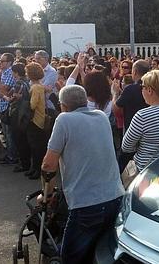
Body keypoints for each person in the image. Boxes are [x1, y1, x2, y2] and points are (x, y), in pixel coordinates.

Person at [41, 85, 124, 264]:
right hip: (115, 197)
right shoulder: (101, 116)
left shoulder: (64, 120)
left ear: (63, 105)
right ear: (85, 101)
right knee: (99, 252)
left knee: (71, 257)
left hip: (87, 203)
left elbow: (49, 164)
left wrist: (46, 194)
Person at [24, 62, 48, 180]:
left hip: (35, 120)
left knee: (36, 147)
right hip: (37, 119)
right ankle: (34, 168)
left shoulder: (36, 87)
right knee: (35, 146)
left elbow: (32, 105)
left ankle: (37, 170)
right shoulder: (38, 85)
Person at [0, 53, 17, 164]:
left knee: (9, 134)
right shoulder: (3, 72)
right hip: (2, 105)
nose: (0, 62)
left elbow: (5, 89)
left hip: (8, 106)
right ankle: (10, 154)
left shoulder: (9, 72)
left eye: (2, 61)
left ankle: (12, 156)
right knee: (5, 133)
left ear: (9, 62)